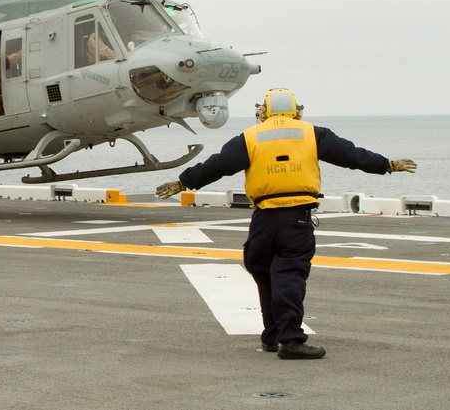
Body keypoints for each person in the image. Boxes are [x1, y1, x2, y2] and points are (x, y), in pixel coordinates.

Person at [156, 88, 417, 360]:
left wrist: (183, 182)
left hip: (263, 219)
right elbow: (351, 155)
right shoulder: (313, 134)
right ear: (297, 110)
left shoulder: (250, 137)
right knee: (289, 276)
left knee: (265, 273)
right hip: (296, 219)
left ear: (263, 111)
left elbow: (218, 165)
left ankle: (272, 335)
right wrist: (386, 164)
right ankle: (291, 340)